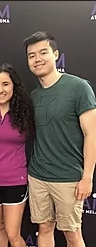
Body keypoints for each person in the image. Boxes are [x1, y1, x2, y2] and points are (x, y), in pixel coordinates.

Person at [23, 31, 96, 247]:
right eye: (31, 55)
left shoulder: (79, 87)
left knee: (72, 234)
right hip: (38, 176)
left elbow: (91, 134)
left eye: (43, 52)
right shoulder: (34, 95)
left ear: (55, 54)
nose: (37, 59)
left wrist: (87, 177)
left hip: (69, 179)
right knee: (44, 228)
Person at [0, 63, 35, 247]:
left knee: (13, 233)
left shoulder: (25, 113)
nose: (0, 90)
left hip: (15, 182)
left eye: (5, 84)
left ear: (13, 86)